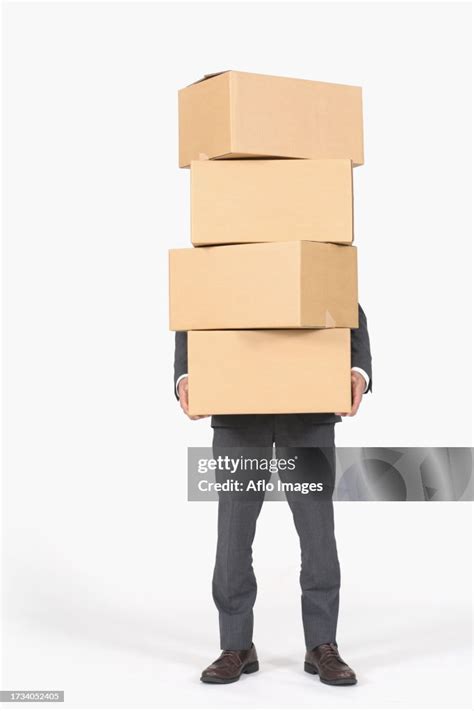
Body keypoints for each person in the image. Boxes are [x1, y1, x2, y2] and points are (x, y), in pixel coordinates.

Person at [173, 305, 372, 686]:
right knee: (234, 530)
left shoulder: (314, 246)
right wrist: (186, 373)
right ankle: (236, 646)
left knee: (317, 530)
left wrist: (357, 370)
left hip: (309, 407)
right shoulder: (227, 254)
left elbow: (344, 298)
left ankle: (322, 645)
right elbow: (197, 302)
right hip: (237, 409)